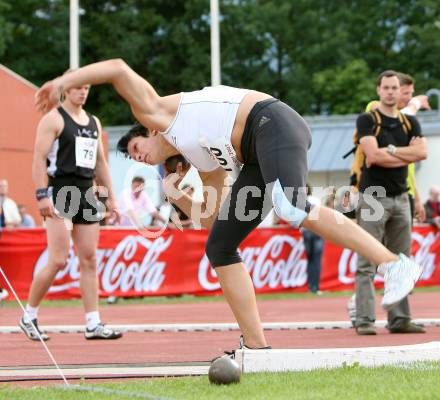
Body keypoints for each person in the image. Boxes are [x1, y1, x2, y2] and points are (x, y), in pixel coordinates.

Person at [35, 59, 423, 349]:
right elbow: (213, 220)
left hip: (272, 122)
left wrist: (63, 83)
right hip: (253, 155)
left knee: (290, 206)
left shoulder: (159, 112)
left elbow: (118, 69)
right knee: (220, 245)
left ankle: (395, 264)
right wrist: (179, 197)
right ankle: (257, 347)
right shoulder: (201, 161)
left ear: (148, 129)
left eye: (137, 149)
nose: (139, 158)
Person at [20, 76, 122, 341]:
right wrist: (42, 195)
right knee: (58, 258)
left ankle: (93, 323)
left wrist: (111, 197)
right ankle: (28, 315)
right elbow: (38, 159)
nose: (83, 92)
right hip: (60, 191)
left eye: (87, 88)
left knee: (89, 258)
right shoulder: (53, 119)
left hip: (86, 192)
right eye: (78, 87)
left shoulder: (93, 122)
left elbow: (100, 162)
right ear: (66, 89)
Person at [353, 70, 427, 336]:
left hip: (401, 197)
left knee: (401, 262)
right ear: (378, 90)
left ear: (400, 91)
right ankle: (364, 319)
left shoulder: (410, 123)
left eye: (395, 88)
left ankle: (400, 319)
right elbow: (372, 157)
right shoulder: (367, 120)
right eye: (386, 87)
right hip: (372, 196)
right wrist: (406, 155)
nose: (391, 92)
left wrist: (392, 152)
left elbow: (423, 153)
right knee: (367, 260)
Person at [301, 184, 324, 294]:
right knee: (313, 260)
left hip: (310, 231)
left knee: (313, 260)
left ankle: (313, 286)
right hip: (313, 231)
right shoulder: (315, 200)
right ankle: (314, 286)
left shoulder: (303, 200)